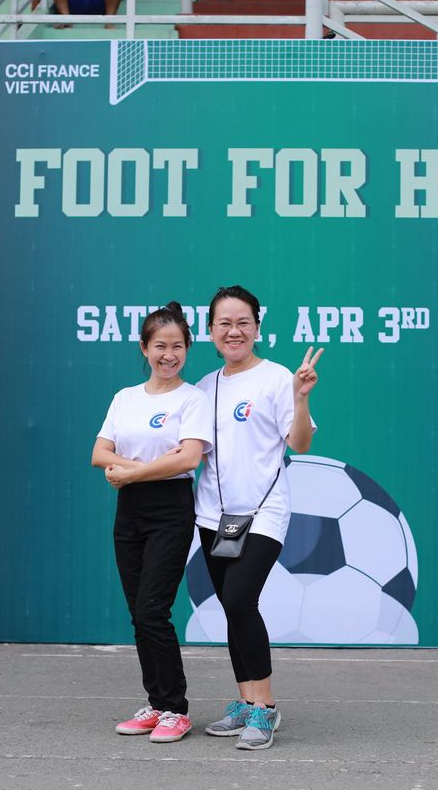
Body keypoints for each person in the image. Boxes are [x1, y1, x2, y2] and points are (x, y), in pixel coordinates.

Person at [193, 285, 324, 751]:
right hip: (213, 515)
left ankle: (265, 707)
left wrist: (301, 397)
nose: (234, 331)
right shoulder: (204, 387)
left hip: (264, 512)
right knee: (230, 606)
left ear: (257, 327)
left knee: (240, 598)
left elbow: (300, 443)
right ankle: (247, 701)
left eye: (243, 322)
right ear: (211, 330)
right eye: (224, 323)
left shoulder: (276, 378)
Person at [91, 302, 211, 744]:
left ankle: (176, 709)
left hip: (170, 509)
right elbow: (99, 453)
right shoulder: (125, 398)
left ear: (187, 349)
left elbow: (188, 458)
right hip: (130, 510)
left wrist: (129, 472)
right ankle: (157, 704)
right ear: (144, 348)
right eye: (160, 346)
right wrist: (139, 469)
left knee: (152, 610)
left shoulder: (192, 399)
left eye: (177, 346)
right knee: (137, 614)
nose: (169, 355)